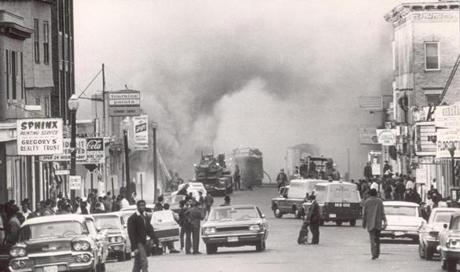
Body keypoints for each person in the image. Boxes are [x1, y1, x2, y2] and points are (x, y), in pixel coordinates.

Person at [128, 200, 158, 272]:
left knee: (137, 263)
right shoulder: (133, 218)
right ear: (137, 207)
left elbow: (149, 229)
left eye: (144, 205)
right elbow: (131, 234)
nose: (142, 207)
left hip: (144, 242)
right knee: (144, 261)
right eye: (141, 205)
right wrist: (134, 247)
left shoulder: (145, 216)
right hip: (137, 243)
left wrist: (155, 240)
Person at [362, 189, 387, 260]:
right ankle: (377, 253)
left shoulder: (367, 201)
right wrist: (385, 221)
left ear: (370, 194)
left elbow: (364, 214)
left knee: (372, 239)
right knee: (377, 239)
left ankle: (374, 254)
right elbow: (382, 212)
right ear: (376, 194)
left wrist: (364, 223)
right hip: (378, 222)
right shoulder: (380, 201)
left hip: (370, 223)